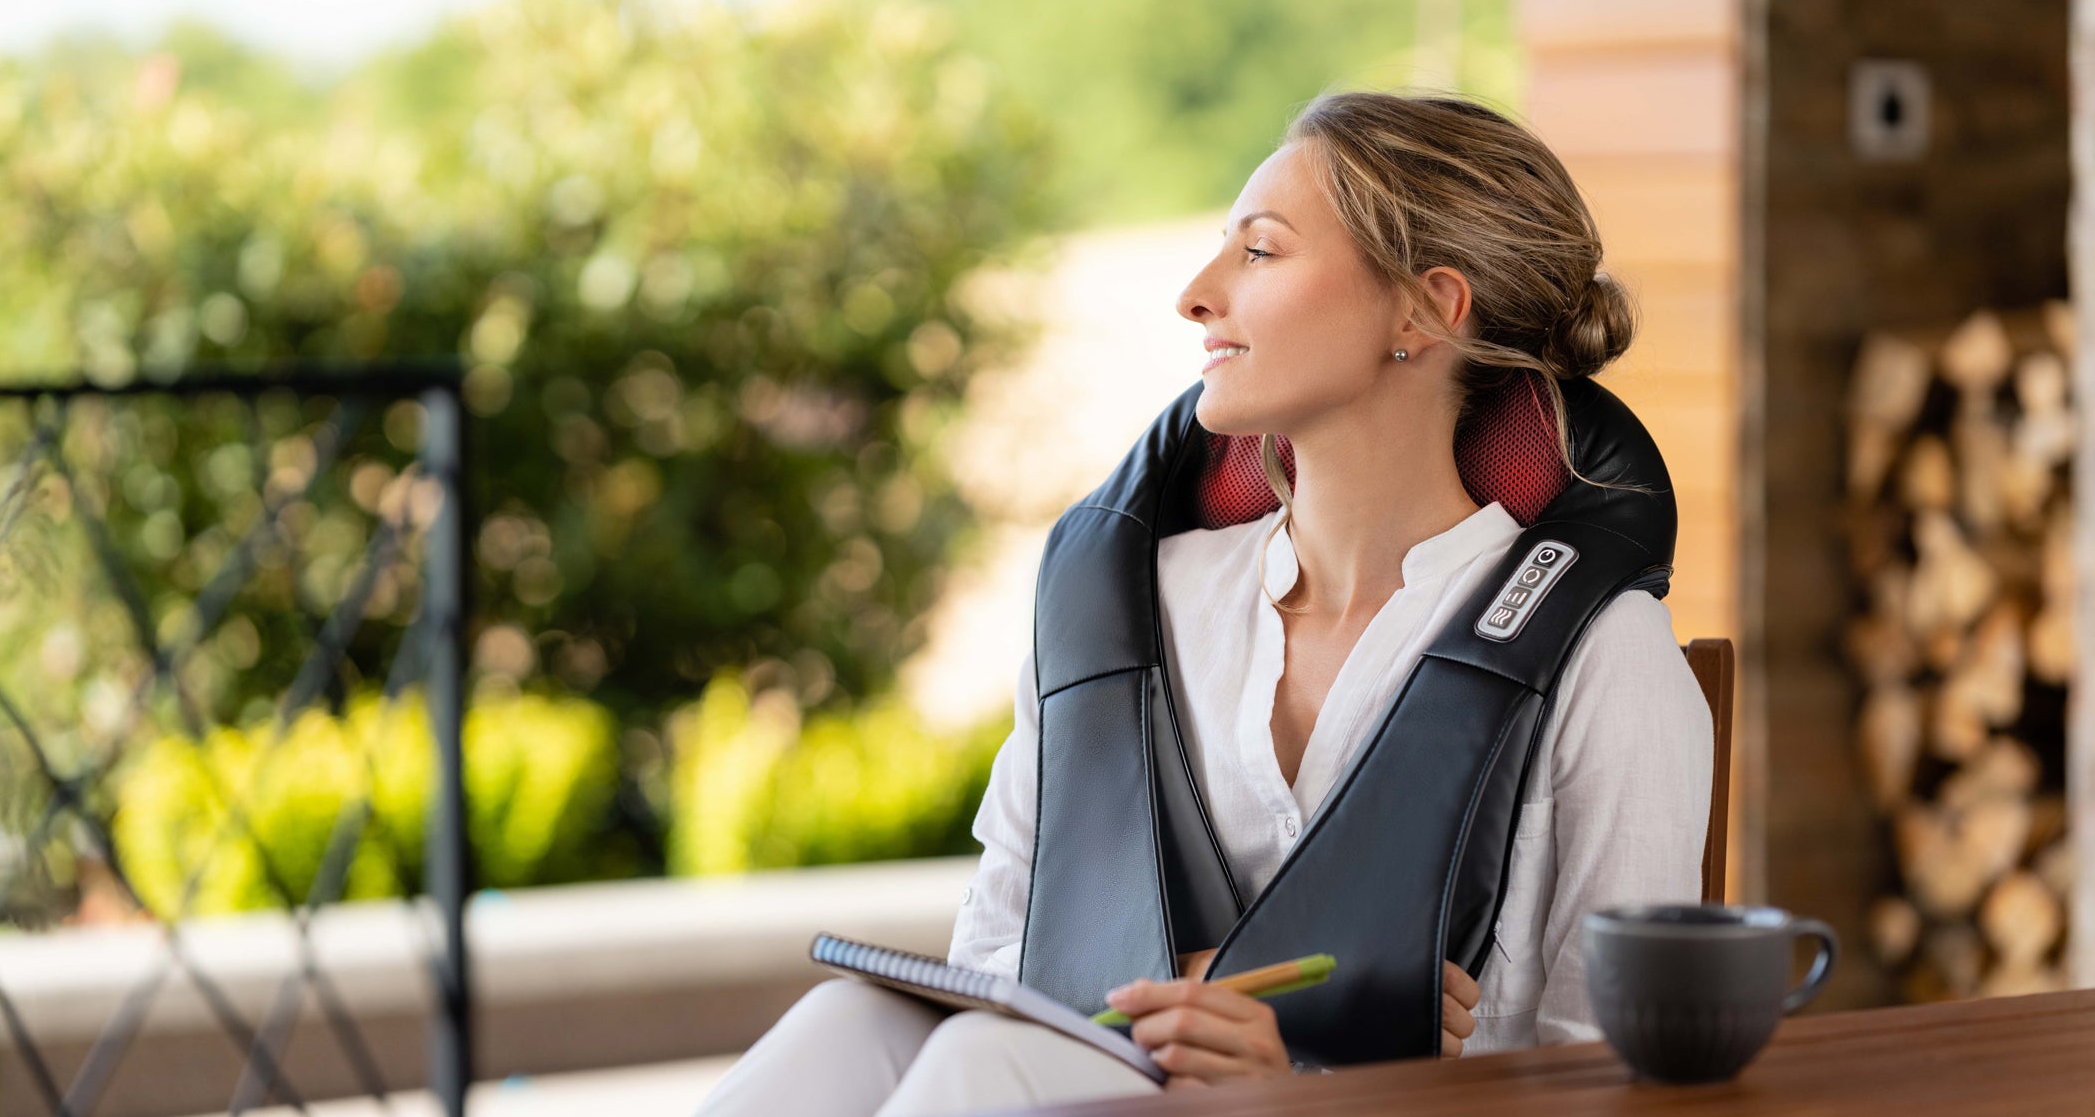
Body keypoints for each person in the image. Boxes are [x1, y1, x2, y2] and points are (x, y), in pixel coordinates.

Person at [693, 89, 1713, 1116]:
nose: (1195, 294)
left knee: (977, 1070)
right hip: (1070, 1083)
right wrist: (1192, 982)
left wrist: (1304, 1091)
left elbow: (1623, 1083)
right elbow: (994, 947)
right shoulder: (1138, 612)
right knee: (852, 1023)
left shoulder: (1602, 656)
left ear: (1425, 310)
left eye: (1260, 253)